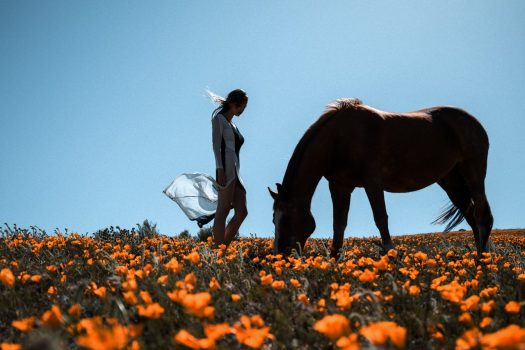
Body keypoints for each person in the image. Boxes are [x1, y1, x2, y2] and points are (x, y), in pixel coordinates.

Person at [209, 89, 249, 247]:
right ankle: (219, 253)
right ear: (234, 103)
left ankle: (221, 249)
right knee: (222, 211)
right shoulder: (218, 119)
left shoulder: (234, 125)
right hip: (225, 168)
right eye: (243, 106)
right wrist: (219, 169)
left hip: (236, 171)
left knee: (242, 212)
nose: (243, 110)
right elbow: (216, 146)